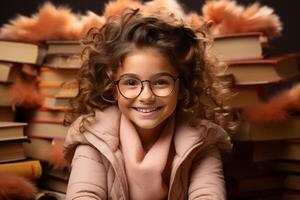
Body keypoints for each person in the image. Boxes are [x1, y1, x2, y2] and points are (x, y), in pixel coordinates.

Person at [64, 8, 232, 200]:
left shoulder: (202, 143)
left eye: (161, 82)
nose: (146, 96)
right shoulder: (92, 138)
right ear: (112, 86)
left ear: (182, 86)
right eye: (130, 82)